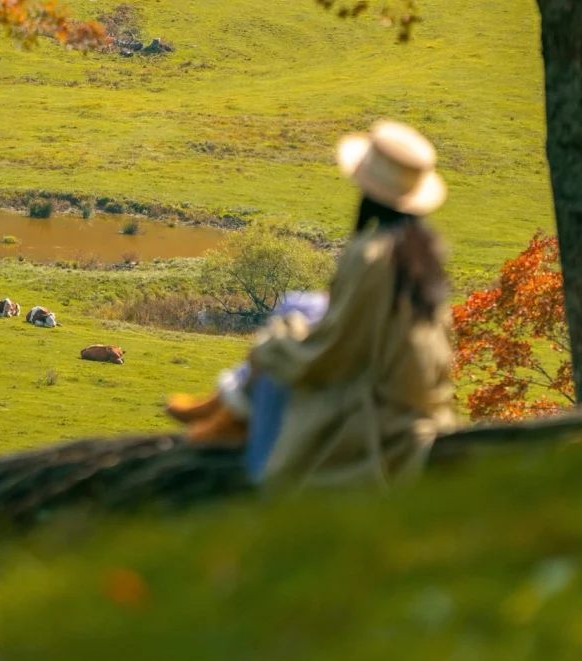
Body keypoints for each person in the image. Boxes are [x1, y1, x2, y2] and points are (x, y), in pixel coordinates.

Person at [167, 120, 456, 486]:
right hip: (410, 393)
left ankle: (247, 442)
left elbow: (334, 350)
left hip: (378, 405)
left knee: (280, 343)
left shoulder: (371, 256)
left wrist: (274, 345)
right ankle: (227, 404)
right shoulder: (424, 251)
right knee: (298, 305)